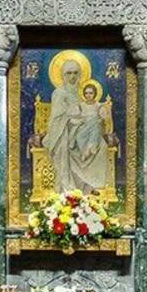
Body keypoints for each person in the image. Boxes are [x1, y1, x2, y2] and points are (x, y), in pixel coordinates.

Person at [37, 59, 113, 195]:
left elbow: (93, 110)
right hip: (63, 130)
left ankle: (91, 185)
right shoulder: (59, 93)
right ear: (63, 75)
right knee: (65, 146)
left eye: (75, 73)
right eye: (69, 73)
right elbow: (56, 118)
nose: (72, 76)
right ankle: (75, 188)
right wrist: (73, 121)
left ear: (79, 75)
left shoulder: (83, 92)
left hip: (84, 129)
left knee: (101, 146)